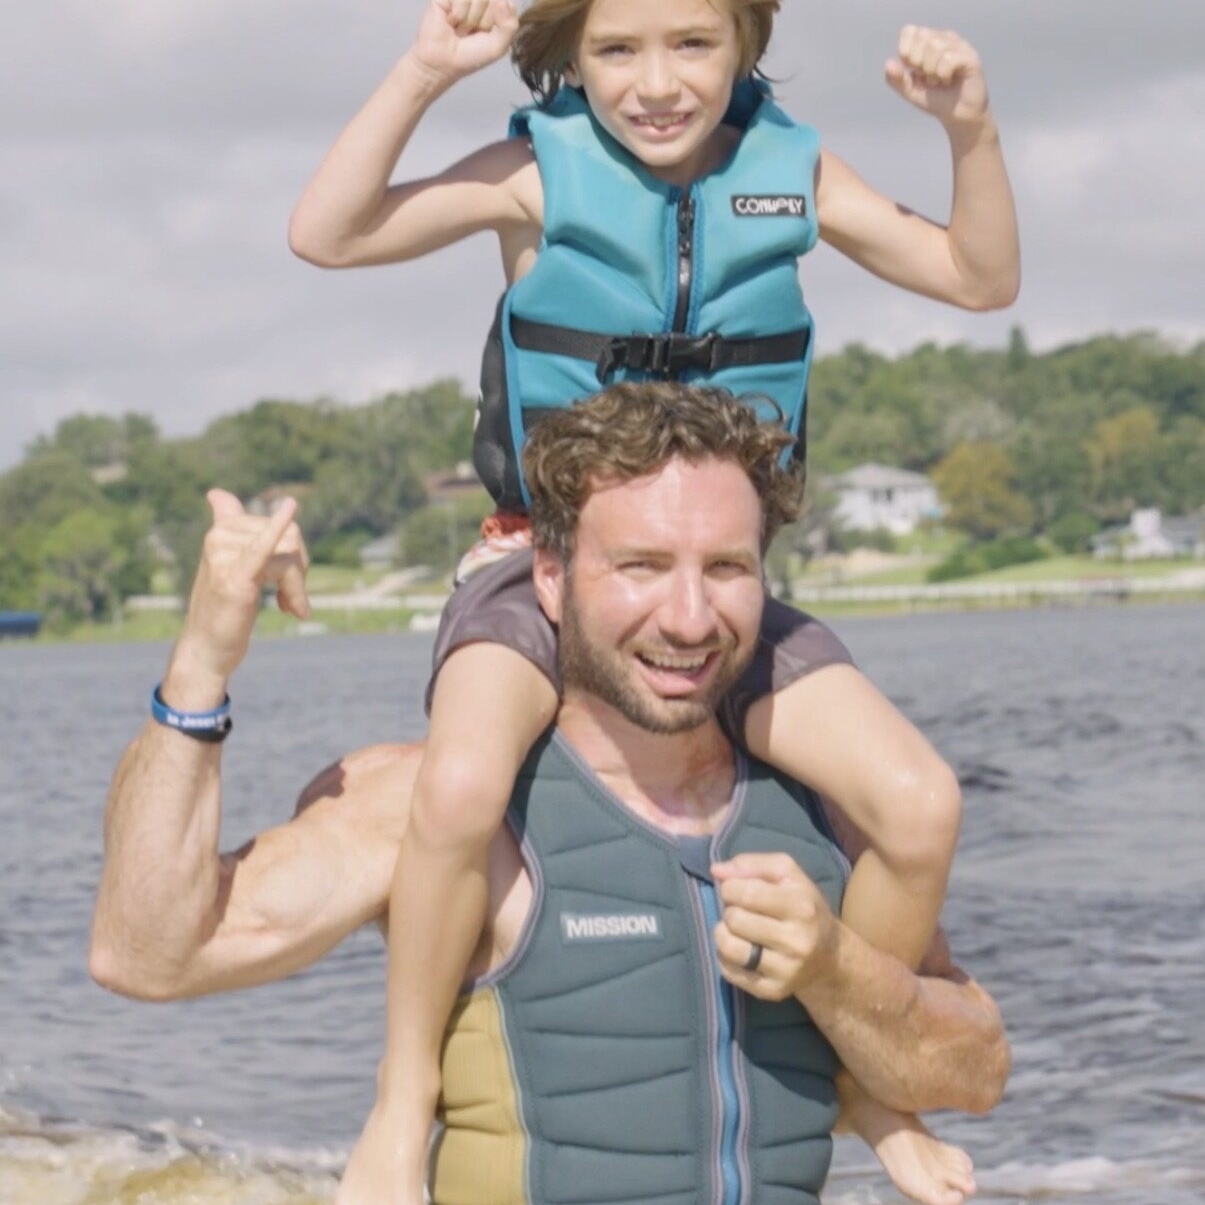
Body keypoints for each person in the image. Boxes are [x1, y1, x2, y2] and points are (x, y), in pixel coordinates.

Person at [288, 3, 1019, 1199]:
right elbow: (327, 232)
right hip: (533, 566)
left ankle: (861, 1080)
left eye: (692, 43)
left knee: (917, 800)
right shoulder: (535, 173)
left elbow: (980, 280)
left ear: (743, 44)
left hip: (710, 582)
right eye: (616, 50)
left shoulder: (792, 174)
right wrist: (422, 72)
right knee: (459, 784)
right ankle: (399, 1096)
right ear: (572, 59)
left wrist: (968, 131)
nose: (656, 82)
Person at [90, 384, 1009, 1205]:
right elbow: (146, 953)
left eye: (726, 568)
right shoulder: (447, 808)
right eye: (640, 566)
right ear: (549, 580)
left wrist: (834, 970)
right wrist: (203, 658)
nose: (689, 617)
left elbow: (974, 1069)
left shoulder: (819, 808)